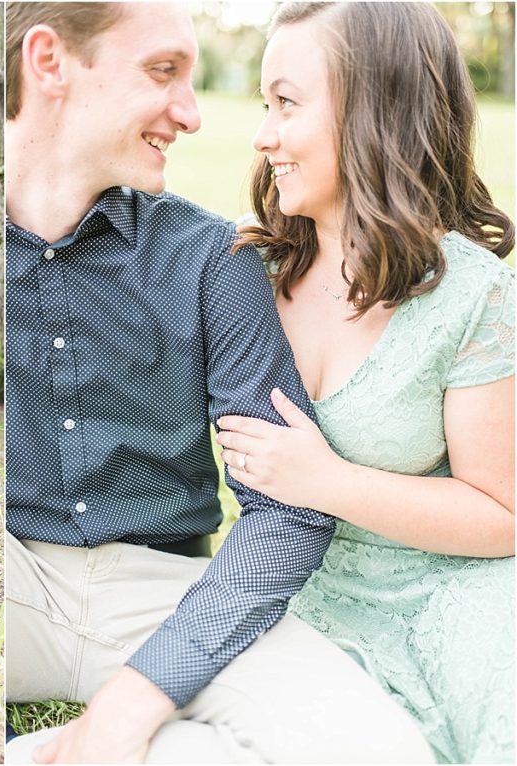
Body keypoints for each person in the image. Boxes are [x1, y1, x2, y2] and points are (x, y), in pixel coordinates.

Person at [4, 2, 433, 763]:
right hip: (10, 574)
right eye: (162, 72)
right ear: (49, 63)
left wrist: (139, 698)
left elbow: (286, 513)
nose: (194, 115)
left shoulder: (213, 259)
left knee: (382, 750)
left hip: (168, 590)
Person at [215, 3, 514, 762]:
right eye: (263, 104)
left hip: (454, 606)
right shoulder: (247, 274)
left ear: (374, 112)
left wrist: (325, 481)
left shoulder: (472, 296)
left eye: (286, 103)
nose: (262, 134)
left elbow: (503, 513)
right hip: (295, 603)